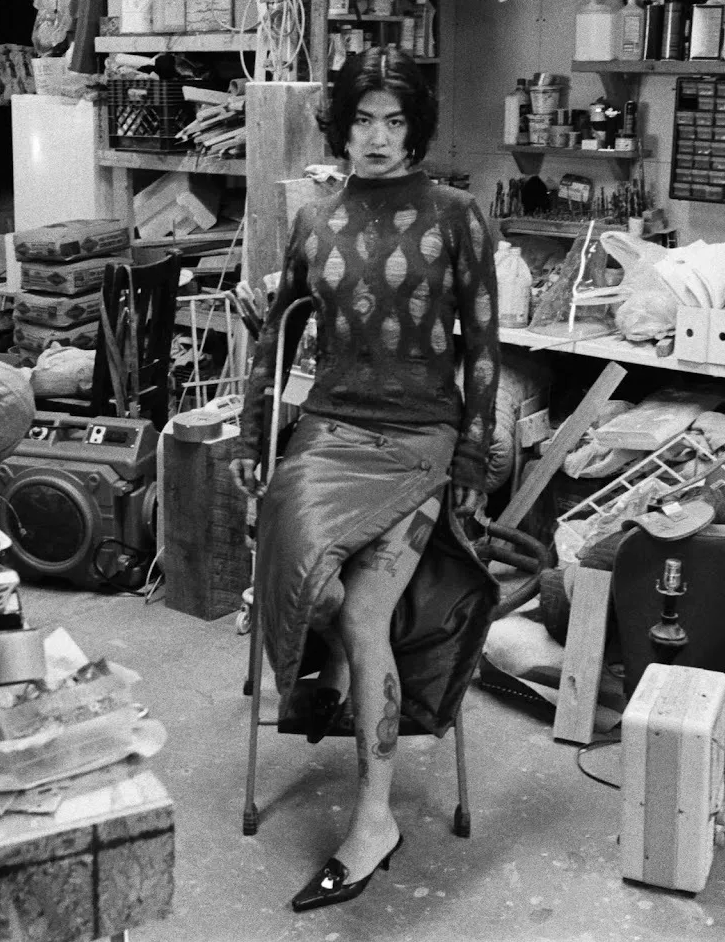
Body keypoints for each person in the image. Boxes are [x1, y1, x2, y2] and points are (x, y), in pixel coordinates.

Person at [230, 46, 501, 913]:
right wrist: (249, 428)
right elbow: (276, 337)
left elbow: (485, 349)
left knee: (362, 607)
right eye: (361, 120)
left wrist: (470, 456)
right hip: (330, 430)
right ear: (340, 125)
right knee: (300, 571)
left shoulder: (460, 217)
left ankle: (374, 817)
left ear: (413, 127)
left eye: (393, 121)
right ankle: (333, 680)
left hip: (420, 435)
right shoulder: (314, 220)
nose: (376, 138)